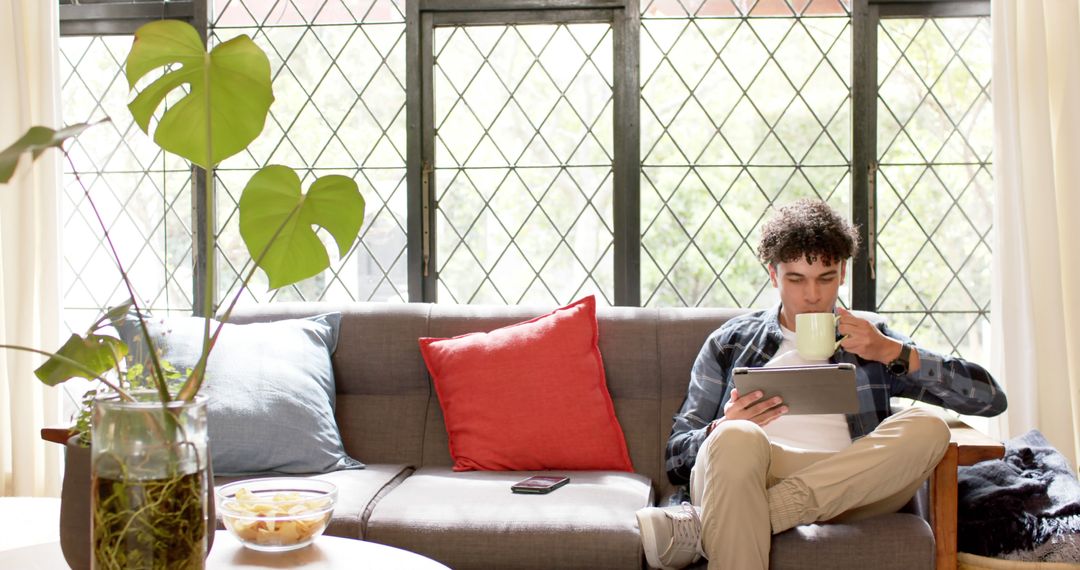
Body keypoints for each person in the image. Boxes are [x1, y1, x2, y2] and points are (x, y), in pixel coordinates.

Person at [635, 199, 1007, 570]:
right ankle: (750, 506)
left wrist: (892, 350)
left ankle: (714, 525)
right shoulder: (730, 342)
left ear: (842, 273)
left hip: (851, 481)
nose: (812, 295)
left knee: (929, 428)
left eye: (825, 278)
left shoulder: (871, 339)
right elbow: (675, 461)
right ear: (773, 275)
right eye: (795, 279)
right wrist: (723, 425)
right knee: (737, 438)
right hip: (748, 472)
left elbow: (990, 399)